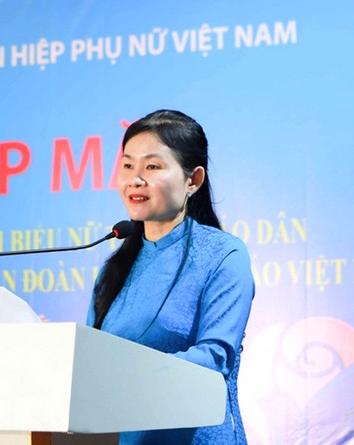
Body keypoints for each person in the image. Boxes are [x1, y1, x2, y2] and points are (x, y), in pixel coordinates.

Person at [87, 109, 255, 444]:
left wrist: (126, 373)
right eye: (127, 165)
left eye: (152, 167)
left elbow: (215, 357)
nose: (135, 179)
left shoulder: (223, 254)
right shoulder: (114, 269)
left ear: (193, 180)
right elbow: (91, 365)